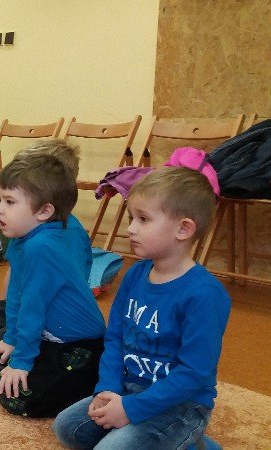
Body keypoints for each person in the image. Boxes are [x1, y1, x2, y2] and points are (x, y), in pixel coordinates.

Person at [53, 167, 231, 449]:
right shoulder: (136, 274)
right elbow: (115, 337)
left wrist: (131, 409)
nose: (131, 229)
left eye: (144, 219)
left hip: (181, 404)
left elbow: (195, 373)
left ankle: (191, 440)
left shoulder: (205, 295)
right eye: (131, 218)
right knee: (66, 428)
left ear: (183, 229)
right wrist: (108, 388)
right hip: (129, 387)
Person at [0, 151, 106, 418]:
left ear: (44, 211)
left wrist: (21, 362)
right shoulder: (21, 238)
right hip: (49, 335)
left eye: (10, 202)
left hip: (80, 344)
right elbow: (16, 294)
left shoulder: (41, 247)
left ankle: (91, 379)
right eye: (0, 199)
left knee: (20, 399)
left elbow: (32, 307)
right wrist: (12, 339)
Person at [0, 139, 92, 354]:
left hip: (49, 307)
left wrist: (17, 335)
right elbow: (14, 276)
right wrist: (10, 312)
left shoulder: (68, 233)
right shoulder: (24, 224)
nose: (0, 208)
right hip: (24, 300)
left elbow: (56, 289)